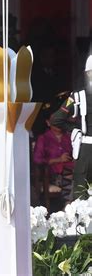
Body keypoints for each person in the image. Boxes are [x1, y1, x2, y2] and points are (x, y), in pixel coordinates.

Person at [51, 56, 92, 199]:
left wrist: (75, 127)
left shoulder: (78, 96)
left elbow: (56, 119)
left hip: (86, 151)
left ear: (87, 73)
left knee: (81, 198)